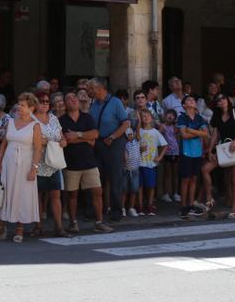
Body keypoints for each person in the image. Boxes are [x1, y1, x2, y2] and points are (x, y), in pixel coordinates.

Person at [0, 93, 43, 243]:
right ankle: (1, 227)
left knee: (22, 194)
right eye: (19, 104)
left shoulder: (36, 125)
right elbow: (4, 142)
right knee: (6, 192)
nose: (19, 107)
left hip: (25, 163)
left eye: (22, 105)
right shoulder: (11, 122)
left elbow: (38, 149)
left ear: (31, 108)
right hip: (9, 161)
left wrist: (34, 168)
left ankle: (20, 228)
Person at [60, 92, 111, 234]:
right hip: (71, 163)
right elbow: (65, 139)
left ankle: (99, 222)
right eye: (69, 98)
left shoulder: (87, 117)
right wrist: (85, 138)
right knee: (72, 195)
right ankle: (73, 222)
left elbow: (95, 135)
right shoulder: (61, 120)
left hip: (89, 161)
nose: (73, 100)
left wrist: (77, 135)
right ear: (65, 104)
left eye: (74, 97)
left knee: (97, 191)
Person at [88, 79, 130, 220]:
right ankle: (97, 210)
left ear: (100, 88)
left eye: (91, 88)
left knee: (115, 178)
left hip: (114, 143)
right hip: (98, 143)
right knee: (95, 178)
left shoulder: (116, 102)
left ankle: (117, 211)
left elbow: (126, 123)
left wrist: (112, 137)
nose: (90, 91)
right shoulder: (94, 104)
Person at [206, 94, 235, 219]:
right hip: (223, 149)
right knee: (205, 169)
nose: (222, 101)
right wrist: (210, 150)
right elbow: (215, 134)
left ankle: (234, 209)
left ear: (228, 100)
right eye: (218, 100)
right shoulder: (217, 117)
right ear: (217, 104)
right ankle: (210, 199)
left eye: (223, 98)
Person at [32, 95, 67, 237]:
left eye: (47, 101)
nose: (45, 104)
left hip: (53, 162)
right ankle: (38, 226)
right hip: (38, 162)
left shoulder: (53, 118)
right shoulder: (31, 120)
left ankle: (59, 227)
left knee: (56, 194)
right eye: (42, 101)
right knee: (37, 196)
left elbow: (61, 135)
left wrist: (64, 141)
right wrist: (44, 141)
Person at [176, 95, 208, 219]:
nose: (192, 101)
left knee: (194, 178)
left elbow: (206, 134)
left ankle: (191, 204)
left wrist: (191, 131)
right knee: (185, 179)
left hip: (197, 152)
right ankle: (183, 206)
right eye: (188, 100)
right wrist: (197, 133)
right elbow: (183, 135)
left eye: (193, 100)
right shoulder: (182, 117)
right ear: (184, 105)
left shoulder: (199, 118)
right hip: (186, 152)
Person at [138, 110, 165, 216]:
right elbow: (133, 144)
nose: (145, 118)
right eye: (143, 116)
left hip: (151, 163)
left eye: (147, 116)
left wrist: (160, 157)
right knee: (139, 185)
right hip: (140, 162)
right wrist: (139, 149)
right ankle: (140, 205)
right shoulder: (139, 131)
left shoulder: (155, 132)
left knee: (151, 185)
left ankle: (150, 204)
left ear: (152, 118)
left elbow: (165, 145)